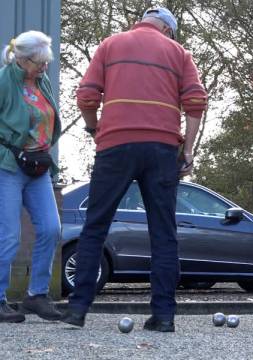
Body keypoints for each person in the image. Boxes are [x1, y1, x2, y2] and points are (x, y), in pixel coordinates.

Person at [59, 7, 207, 332]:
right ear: (168, 30)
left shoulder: (110, 45)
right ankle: (164, 315)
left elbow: (86, 96)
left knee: (95, 226)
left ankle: (77, 309)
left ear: (139, 22)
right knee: (163, 232)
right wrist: (189, 150)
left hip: (114, 145)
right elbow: (196, 101)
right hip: (162, 148)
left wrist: (94, 128)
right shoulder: (180, 53)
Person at [0, 31, 62, 322]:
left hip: (37, 167)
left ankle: (36, 295)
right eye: (39, 62)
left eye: (46, 62)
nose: (44, 67)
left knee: (51, 228)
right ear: (23, 60)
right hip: (8, 167)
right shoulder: (4, 80)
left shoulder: (42, 81)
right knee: (9, 236)